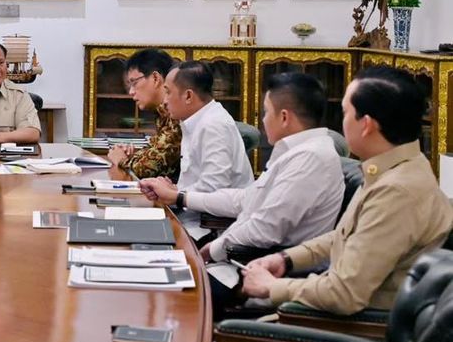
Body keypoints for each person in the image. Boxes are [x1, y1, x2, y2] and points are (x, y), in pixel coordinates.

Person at [242, 66, 453, 317]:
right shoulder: (391, 169)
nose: (341, 122)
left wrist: (272, 287)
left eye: (345, 113)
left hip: (350, 335)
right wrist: (286, 259)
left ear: (366, 125)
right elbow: (344, 236)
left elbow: (344, 294)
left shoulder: (398, 191)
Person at [143, 72, 343, 265]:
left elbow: (265, 229)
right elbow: (246, 199)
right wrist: (179, 196)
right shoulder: (296, 151)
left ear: (284, 117)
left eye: (266, 112)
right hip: (242, 252)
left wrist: (213, 250)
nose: (263, 121)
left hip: (265, 266)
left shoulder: (311, 158)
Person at [140, 61, 254, 239]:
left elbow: (214, 191)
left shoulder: (213, 126)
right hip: (191, 217)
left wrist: (175, 194)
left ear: (188, 96)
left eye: (168, 92)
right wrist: (173, 189)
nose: (165, 100)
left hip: (210, 229)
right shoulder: (195, 120)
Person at [107, 48, 181, 180]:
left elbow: (149, 168)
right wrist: (134, 155)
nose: (131, 91)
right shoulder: (162, 112)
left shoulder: (175, 111)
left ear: (155, 78)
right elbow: (157, 152)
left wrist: (122, 160)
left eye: (134, 83)